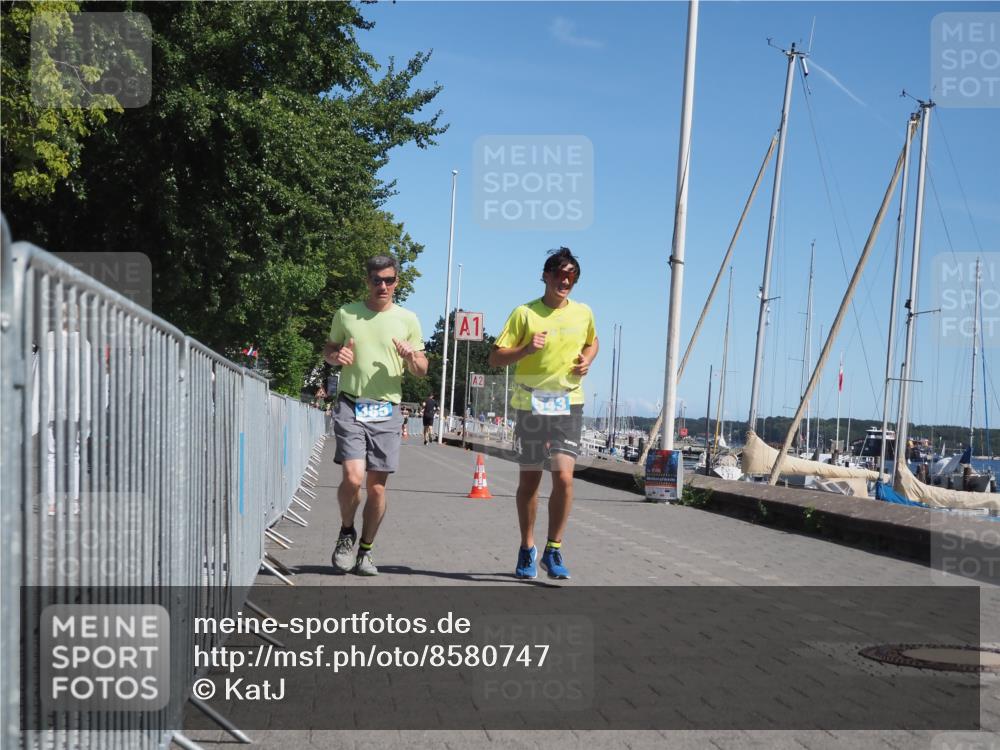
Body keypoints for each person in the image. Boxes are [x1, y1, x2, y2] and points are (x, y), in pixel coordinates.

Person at [488, 247, 598, 580]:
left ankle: (553, 549)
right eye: (560, 274)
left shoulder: (584, 313)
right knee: (530, 482)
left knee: (564, 477)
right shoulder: (524, 313)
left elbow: (593, 342)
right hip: (530, 404)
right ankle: (527, 548)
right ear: (546, 276)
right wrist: (525, 349)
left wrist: (587, 360)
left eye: (572, 276)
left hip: (568, 402)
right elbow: (495, 359)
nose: (566, 281)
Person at [323, 255, 428, 576]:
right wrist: (335, 356)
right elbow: (328, 350)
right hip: (351, 405)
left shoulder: (408, 319)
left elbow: (422, 370)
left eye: (389, 280)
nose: (383, 286)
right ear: (367, 281)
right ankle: (345, 533)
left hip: (387, 410)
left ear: (397, 281)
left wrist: (411, 357)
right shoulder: (347, 313)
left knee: (377, 488)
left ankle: (365, 551)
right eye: (377, 280)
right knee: (353, 478)